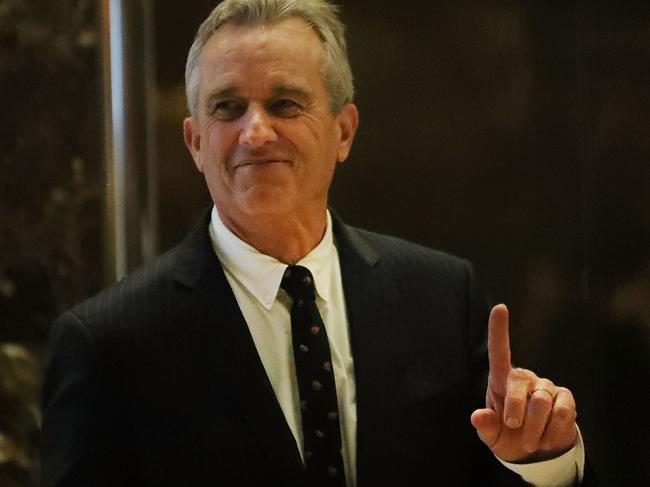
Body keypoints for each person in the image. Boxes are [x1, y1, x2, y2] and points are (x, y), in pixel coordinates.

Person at [41, 1, 595, 486]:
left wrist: (543, 462)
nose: (255, 133)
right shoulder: (108, 344)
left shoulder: (443, 297)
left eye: (284, 104)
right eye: (227, 108)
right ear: (195, 142)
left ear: (344, 131)